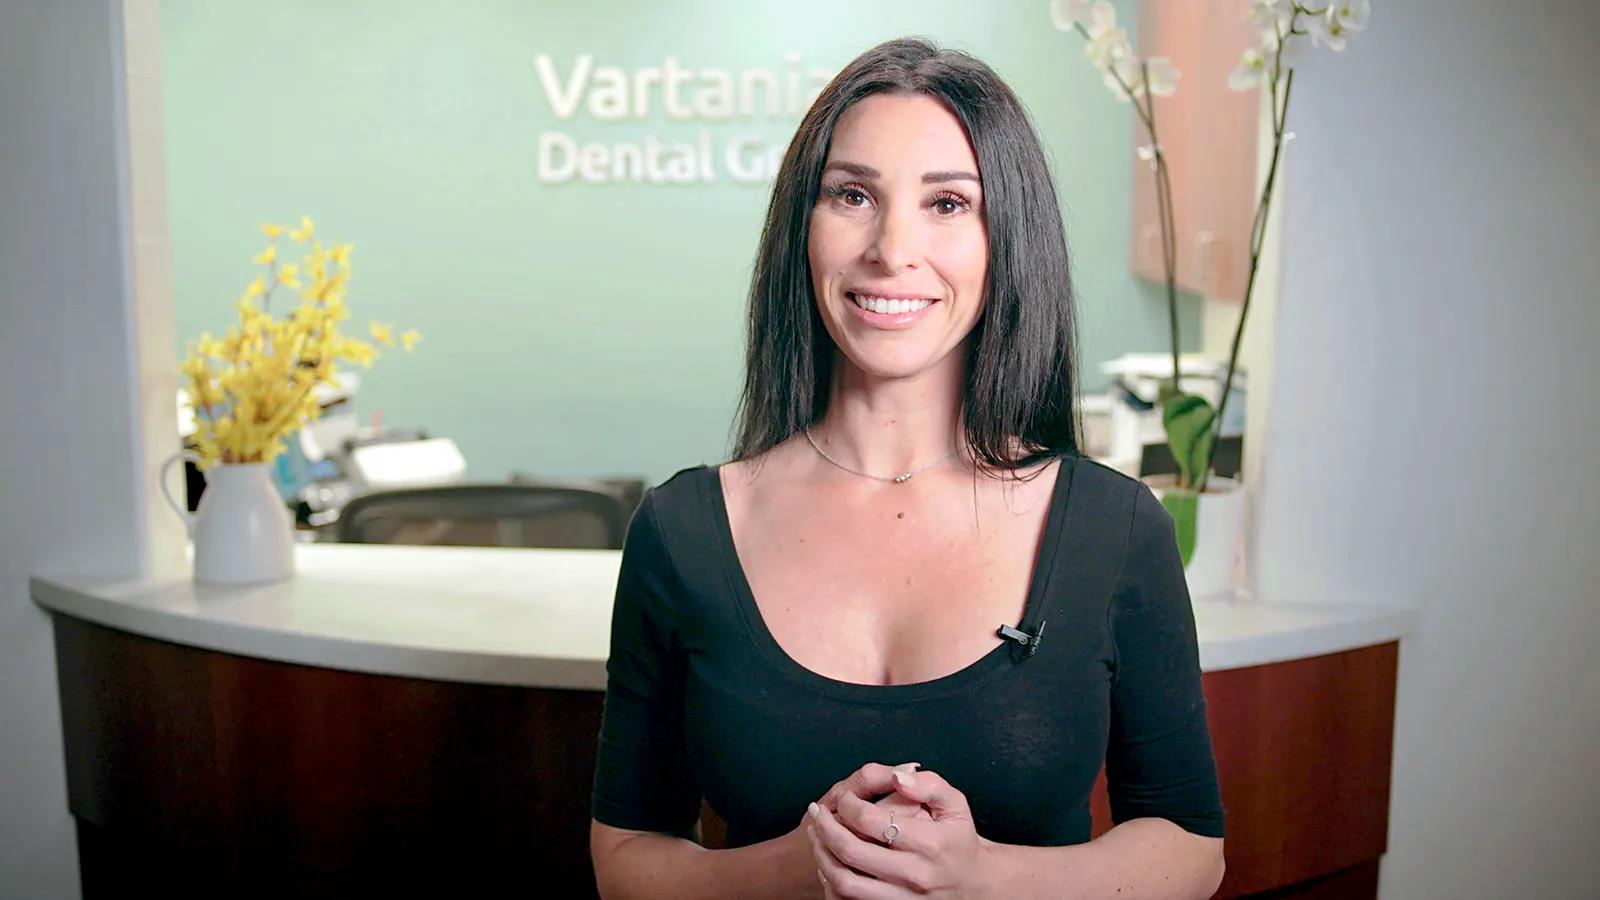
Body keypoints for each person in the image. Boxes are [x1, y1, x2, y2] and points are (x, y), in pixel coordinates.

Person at [589, 36, 1225, 900]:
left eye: (948, 204)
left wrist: (978, 877)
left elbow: (1189, 848)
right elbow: (625, 856)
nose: (892, 248)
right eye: (853, 194)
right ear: (800, 230)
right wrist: (796, 869)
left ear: (1008, 237)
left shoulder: (1113, 529)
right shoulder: (685, 531)